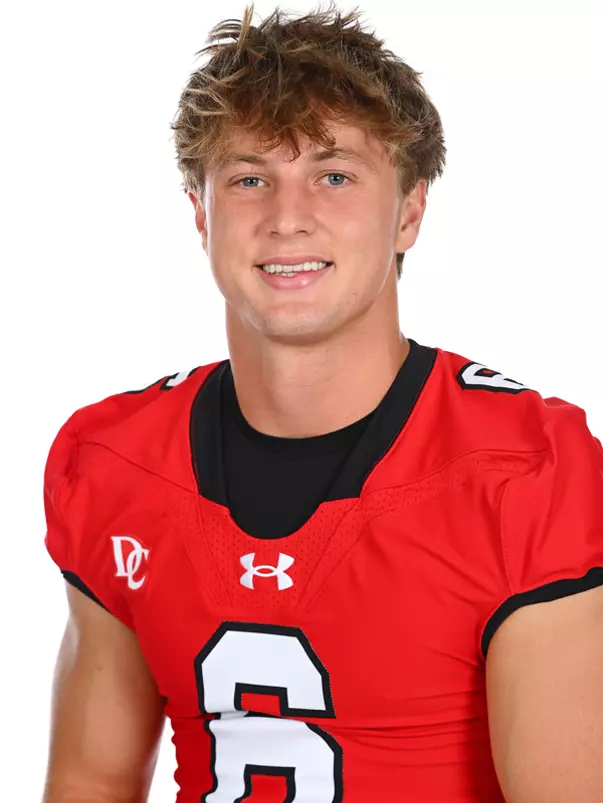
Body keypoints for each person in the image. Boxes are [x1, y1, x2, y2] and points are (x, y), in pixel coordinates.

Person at [42, 4, 603, 802]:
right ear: (201, 213)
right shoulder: (114, 462)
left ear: (408, 211)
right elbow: (90, 781)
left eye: (333, 176)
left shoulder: (524, 471)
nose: (287, 218)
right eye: (249, 179)